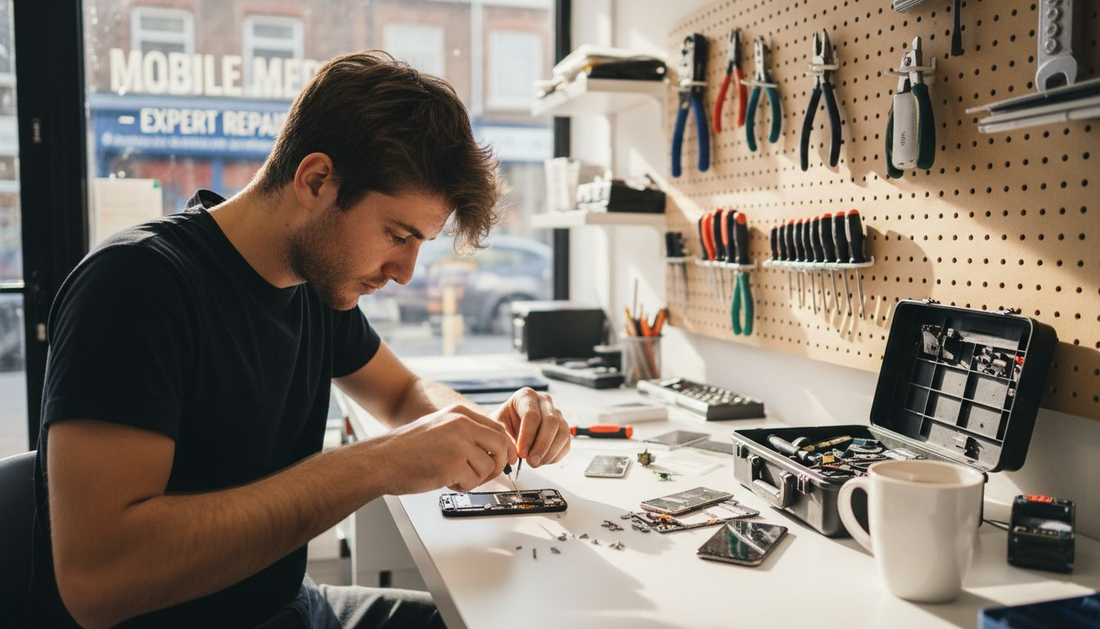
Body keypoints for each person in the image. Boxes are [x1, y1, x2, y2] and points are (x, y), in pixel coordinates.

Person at [29, 51, 571, 628]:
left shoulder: (316, 282)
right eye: (397, 234)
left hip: (288, 604)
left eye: (420, 244)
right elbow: (97, 580)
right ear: (316, 181)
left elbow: (402, 393)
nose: (406, 271)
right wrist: (374, 464)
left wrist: (480, 427)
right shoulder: (136, 285)